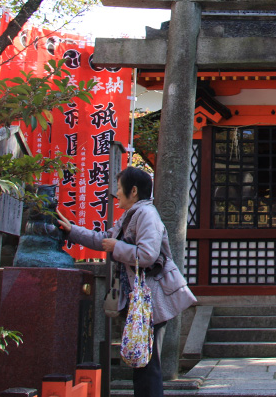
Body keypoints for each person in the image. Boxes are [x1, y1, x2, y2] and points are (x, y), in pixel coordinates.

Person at [56, 166, 194, 397]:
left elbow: (148, 254)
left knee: (147, 364)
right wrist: (72, 231)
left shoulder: (146, 215)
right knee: (142, 362)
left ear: (133, 191)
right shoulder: (131, 216)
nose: (116, 193)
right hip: (141, 301)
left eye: (119, 189)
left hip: (150, 300)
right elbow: (103, 239)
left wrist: (117, 247)